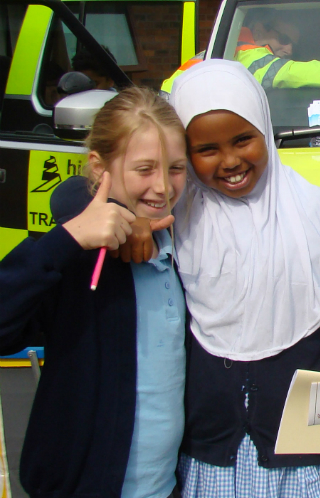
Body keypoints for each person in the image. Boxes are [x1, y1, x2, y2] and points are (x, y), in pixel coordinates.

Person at [166, 59, 320, 496]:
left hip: (308, 461)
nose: (230, 161)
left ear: (265, 129)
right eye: (206, 150)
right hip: (211, 457)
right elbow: (84, 194)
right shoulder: (172, 220)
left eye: (244, 140)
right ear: (185, 153)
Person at [0, 87, 188, 497]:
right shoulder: (75, 257)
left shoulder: (185, 246)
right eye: (144, 169)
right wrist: (68, 238)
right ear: (99, 168)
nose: (163, 186)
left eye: (176, 168)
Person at [159, 9, 320, 94]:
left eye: (293, 45)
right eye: (284, 39)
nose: (288, 49)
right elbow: (295, 73)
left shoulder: (228, 48)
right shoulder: (245, 53)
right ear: (258, 31)